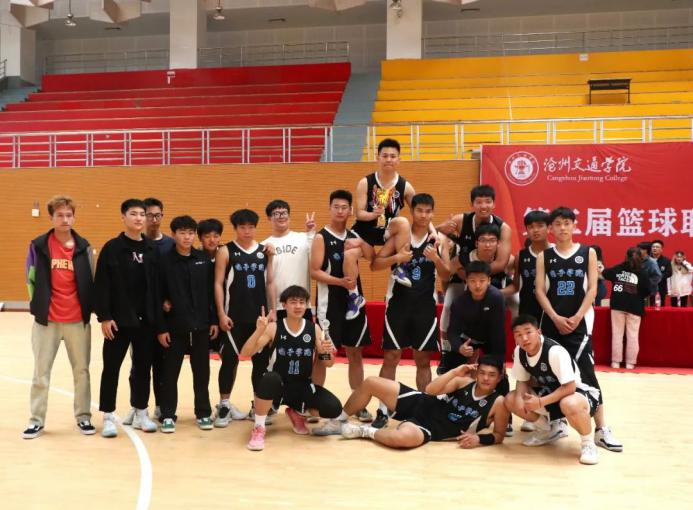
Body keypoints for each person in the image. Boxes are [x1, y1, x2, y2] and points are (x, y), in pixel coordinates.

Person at [535, 206, 623, 452]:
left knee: (587, 374)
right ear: (551, 229)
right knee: (553, 375)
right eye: (557, 224)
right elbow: (540, 291)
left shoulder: (588, 253)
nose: (562, 228)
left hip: (580, 325)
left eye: (567, 223)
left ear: (574, 225)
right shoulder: (545, 256)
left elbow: (593, 289)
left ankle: (601, 429)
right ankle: (556, 425)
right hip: (552, 324)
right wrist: (555, 317)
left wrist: (576, 317)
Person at [369, 193, 451, 428]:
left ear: (433, 213)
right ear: (412, 212)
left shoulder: (438, 241)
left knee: (423, 360)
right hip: (398, 305)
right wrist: (397, 257)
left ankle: (424, 411)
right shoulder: (400, 237)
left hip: (425, 306)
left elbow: (446, 274)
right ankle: (383, 409)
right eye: (419, 210)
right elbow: (375, 264)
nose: (423, 215)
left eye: (428, 211)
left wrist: (436, 259)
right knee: (391, 357)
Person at [23, 195, 95, 439]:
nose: (65, 219)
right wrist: (38, 307)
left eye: (69, 215)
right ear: (51, 217)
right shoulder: (38, 246)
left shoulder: (84, 247)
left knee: (82, 372)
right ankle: (36, 420)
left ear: (74, 217)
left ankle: (83, 417)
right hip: (47, 321)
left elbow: (91, 279)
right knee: (40, 373)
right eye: (60, 215)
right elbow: (30, 279)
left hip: (77, 321)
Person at [241, 286, 342, 451]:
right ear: (284, 305)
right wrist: (259, 331)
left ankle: (298, 412)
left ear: (307, 305)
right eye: (293, 302)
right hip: (277, 386)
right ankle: (259, 428)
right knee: (269, 378)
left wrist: (325, 351)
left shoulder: (314, 328)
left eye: (302, 302)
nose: (298, 306)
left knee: (334, 408)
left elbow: (328, 363)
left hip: (302, 386)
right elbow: (245, 353)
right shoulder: (274, 327)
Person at [337, 355, 507, 449]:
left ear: (500, 377)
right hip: (423, 403)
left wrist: (479, 439)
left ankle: (364, 431)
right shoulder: (464, 382)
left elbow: (499, 435)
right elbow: (430, 390)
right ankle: (338, 421)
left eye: (491, 375)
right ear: (477, 373)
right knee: (371, 383)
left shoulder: (498, 403)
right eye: (482, 373)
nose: (485, 378)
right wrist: (454, 372)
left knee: (400, 439)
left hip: (433, 428)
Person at [95, 199, 160, 438]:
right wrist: (105, 316)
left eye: (142, 214)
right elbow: (102, 284)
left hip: (146, 321)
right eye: (133, 214)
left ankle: (141, 411)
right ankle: (108, 415)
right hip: (118, 321)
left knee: (143, 368)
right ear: (123, 217)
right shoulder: (112, 248)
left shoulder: (151, 249)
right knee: (111, 368)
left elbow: (157, 284)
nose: (139, 218)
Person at [310, 190, 374, 427]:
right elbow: (314, 271)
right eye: (336, 207)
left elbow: (372, 257)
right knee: (323, 355)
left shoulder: (354, 235)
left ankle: (359, 404)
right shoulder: (321, 237)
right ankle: (314, 404)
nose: (340, 211)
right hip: (330, 304)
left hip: (353, 302)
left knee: (355, 353)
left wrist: (362, 243)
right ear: (330, 209)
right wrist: (339, 282)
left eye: (344, 207)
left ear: (350, 210)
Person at [436, 184, 511, 373]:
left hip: (489, 277)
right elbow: (436, 235)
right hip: (463, 275)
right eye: (479, 202)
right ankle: (446, 351)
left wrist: (476, 277)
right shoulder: (460, 220)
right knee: (448, 304)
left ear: (494, 204)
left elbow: (500, 264)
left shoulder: (503, 228)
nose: (483, 206)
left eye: (488, 201)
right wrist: (440, 231)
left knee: (516, 304)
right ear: (472, 204)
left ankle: (519, 351)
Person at [505, 315, 600, 465]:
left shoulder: (554, 351)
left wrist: (539, 402)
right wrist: (520, 401)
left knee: (569, 403)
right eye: (519, 334)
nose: (524, 338)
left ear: (539, 332)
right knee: (511, 399)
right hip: (550, 393)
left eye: (528, 332)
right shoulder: (519, 351)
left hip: (578, 394)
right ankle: (549, 430)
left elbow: (570, 387)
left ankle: (588, 443)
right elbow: (522, 381)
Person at [214, 209, 276, 426]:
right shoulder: (226, 251)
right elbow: (218, 283)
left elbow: (270, 282)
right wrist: (221, 313)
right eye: (242, 227)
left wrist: (273, 311)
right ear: (235, 228)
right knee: (229, 361)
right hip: (234, 317)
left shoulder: (264, 251)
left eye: (251, 227)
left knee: (260, 363)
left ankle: (257, 406)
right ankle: (224, 405)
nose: (247, 231)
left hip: (259, 318)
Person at [156, 216, 218, 432]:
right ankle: (167, 414)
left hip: (201, 326)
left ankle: (203, 413)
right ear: (174, 235)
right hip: (174, 327)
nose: (187, 237)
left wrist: (213, 320)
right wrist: (161, 328)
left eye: (191, 233)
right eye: (182, 233)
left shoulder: (203, 260)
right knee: (169, 373)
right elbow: (157, 295)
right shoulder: (164, 261)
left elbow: (210, 293)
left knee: (202, 373)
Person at [351, 138, 420, 286]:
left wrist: (433, 231)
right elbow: (359, 214)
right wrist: (373, 214)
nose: (389, 159)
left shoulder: (405, 187)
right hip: (363, 231)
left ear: (399, 160)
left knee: (403, 222)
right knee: (349, 254)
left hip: (386, 233)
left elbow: (420, 212)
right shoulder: (365, 182)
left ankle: (401, 268)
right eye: (385, 156)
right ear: (378, 158)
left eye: (393, 156)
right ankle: (353, 292)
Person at [603, 248, 650, 370]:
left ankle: (615, 362)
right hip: (635, 306)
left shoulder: (618, 269)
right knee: (633, 336)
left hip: (618, 305)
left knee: (617, 335)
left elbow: (605, 273)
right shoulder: (643, 272)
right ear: (640, 257)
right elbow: (647, 291)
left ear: (626, 256)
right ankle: (630, 363)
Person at [504, 210, 551, 322]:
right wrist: (493, 292)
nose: (535, 230)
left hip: (553, 311)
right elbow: (516, 286)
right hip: (528, 312)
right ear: (526, 230)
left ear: (549, 228)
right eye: (531, 227)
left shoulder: (557, 253)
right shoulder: (521, 256)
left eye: (540, 226)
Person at [450, 223, 508, 291]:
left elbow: (515, 286)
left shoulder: (506, 260)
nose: (487, 245)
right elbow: (445, 276)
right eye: (483, 240)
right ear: (476, 243)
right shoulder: (462, 259)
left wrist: (496, 294)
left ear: (498, 243)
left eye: (492, 240)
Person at [650, 240, 672, 306]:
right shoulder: (647, 259)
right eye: (653, 247)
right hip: (649, 286)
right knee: (649, 305)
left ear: (661, 249)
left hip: (661, 287)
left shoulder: (666, 260)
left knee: (661, 305)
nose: (654, 248)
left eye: (657, 247)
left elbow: (669, 273)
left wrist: (658, 278)